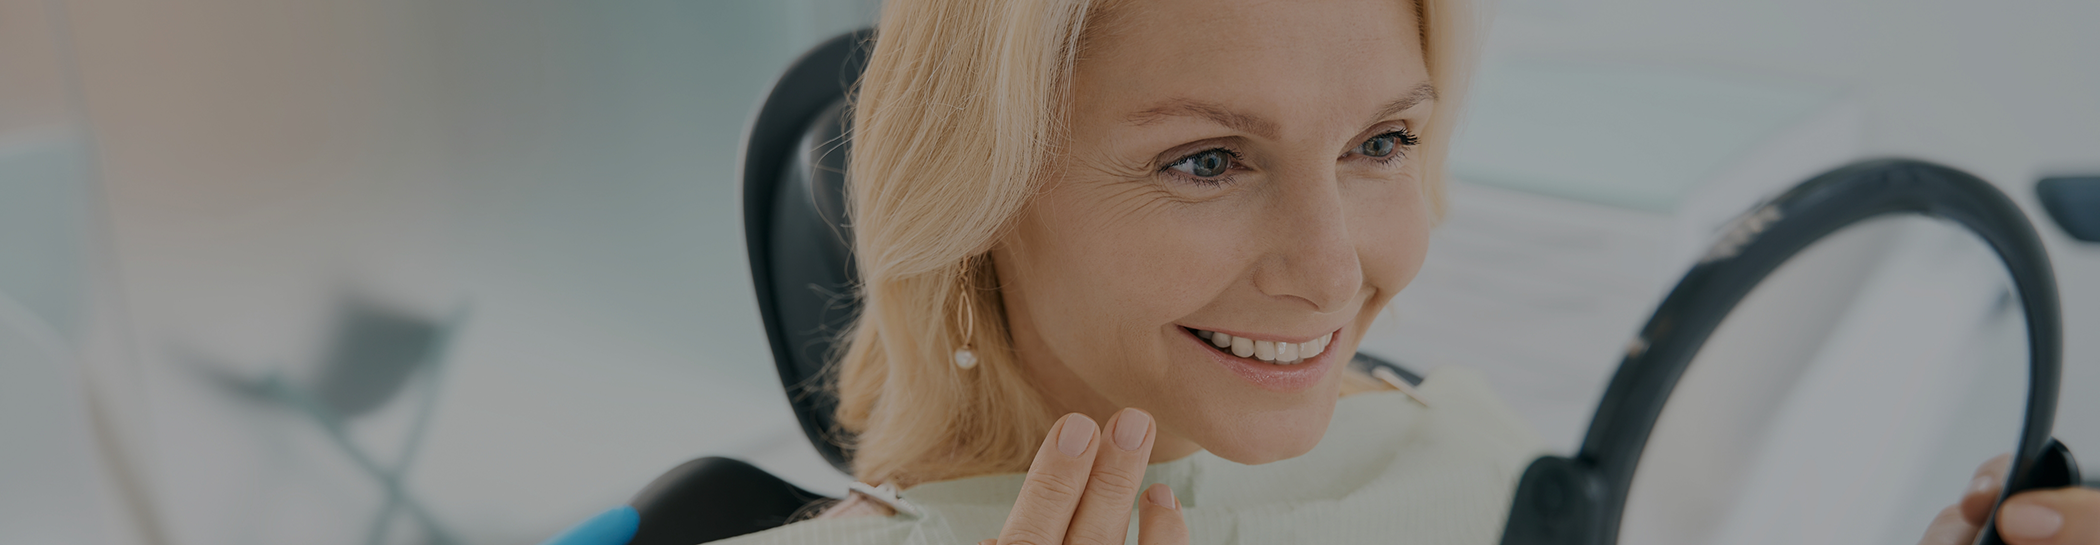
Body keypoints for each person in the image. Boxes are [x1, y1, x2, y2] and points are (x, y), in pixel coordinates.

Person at [553, 0, 2100, 543]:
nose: (1333, 269)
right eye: (1205, 160)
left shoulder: (1467, 455)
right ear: (980, 200)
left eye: (1380, 145)